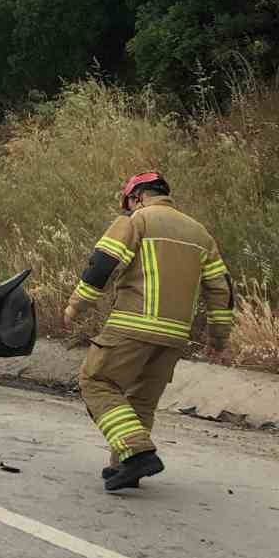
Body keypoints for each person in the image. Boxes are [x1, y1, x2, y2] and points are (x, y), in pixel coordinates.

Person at [63, 172, 235, 491]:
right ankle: (123, 467)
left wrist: (77, 306)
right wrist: (218, 337)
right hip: (174, 336)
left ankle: (138, 453)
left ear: (137, 197)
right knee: (140, 399)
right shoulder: (200, 233)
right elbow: (221, 288)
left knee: (96, 381)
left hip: (133, 325)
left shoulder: (135, 221)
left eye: (128, 202)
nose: (128, 208)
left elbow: (103, 264)